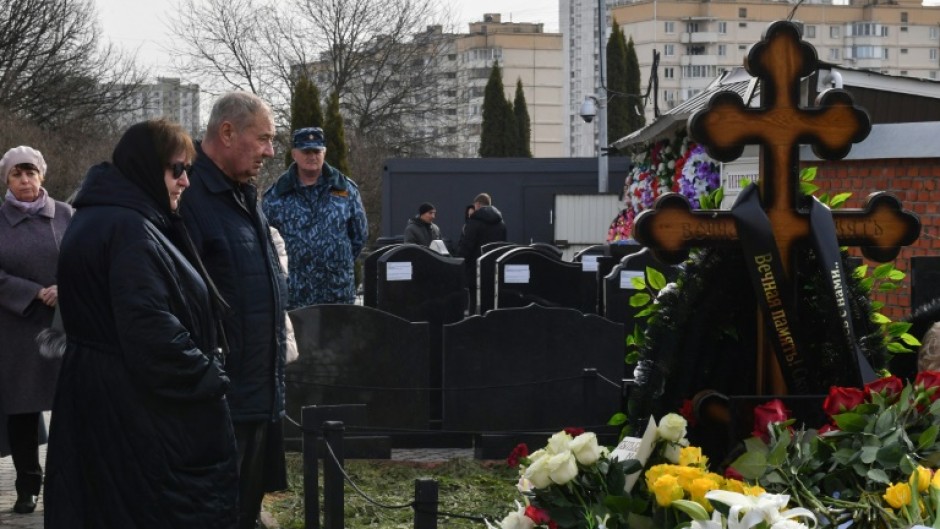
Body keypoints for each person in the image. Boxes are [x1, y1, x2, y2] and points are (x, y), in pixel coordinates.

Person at [43, 119, 237, 528]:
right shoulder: (130, 227)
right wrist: (208, 375)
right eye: (176, 169)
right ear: (147, 169)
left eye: (188, 170)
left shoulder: (101, 216)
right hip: (134, 411)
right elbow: (150, 330)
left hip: (99, 398)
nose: (185, 181)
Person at [180, 92, 288, 529]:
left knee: (245, 512)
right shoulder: (191, 198)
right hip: (222, 400)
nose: (270, 151)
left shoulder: (242, 195)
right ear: (227, 132)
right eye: (262, 138)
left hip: (256, 395)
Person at [0, 146, 72, 514]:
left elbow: (86, 258)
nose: (25, 180)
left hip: (64, 324)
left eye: (30, 173)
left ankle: (69, 481)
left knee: (70, 406)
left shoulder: (66, 214)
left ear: (42, 175)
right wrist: (30, 292)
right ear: (7, 179)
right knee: (22, 410)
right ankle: (28, 484)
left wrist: (65, 286)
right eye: (17, 174)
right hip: (16, 326)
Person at [263, 126, 368, 309]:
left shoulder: (345, 189)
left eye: (317, 151)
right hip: (295, 295)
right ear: (294, 154)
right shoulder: (276, 195)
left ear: (324, 153)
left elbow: (359, 235)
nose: (312, 156)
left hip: (337, 293)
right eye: (306, 151)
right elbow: (267, 243)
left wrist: (335, 261)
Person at [456, 193, 507, 312]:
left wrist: (458, 261)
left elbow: (466, 246)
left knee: (474, 301)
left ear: (478, 204)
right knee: (491, 301)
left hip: (476, 269)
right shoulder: (501, 223)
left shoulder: (474, 222)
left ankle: (475, 326)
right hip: (494, 268)